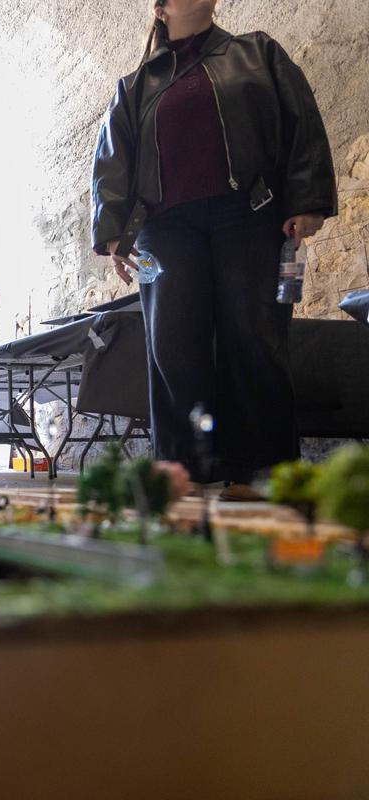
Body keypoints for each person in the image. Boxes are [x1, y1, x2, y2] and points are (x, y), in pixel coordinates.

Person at [92, 0, 337, 499]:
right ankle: (184, 468)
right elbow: (113, 159)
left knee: (255, 336)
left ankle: (259, 471)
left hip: (248, 214)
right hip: (163, 230)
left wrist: (307, 199)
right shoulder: (135, 87)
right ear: (160, 10)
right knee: (172, 346)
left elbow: (301, 123)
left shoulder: (259, 52)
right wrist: (115, 232)